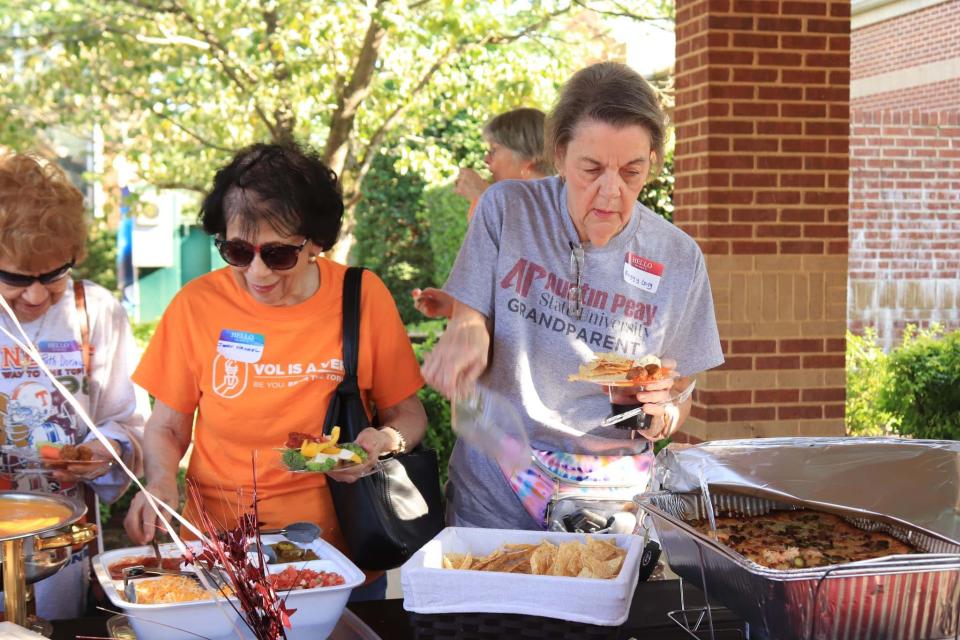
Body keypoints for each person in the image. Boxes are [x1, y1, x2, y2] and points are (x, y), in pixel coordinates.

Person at [422, 62, 724, 530]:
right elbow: (468, 316)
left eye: (631, 171)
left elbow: (680, 393)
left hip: (608, 499)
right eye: (592, 169)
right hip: (494, 486)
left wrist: (659, 416)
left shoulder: (679, 258)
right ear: (559, 155)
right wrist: (465, 334)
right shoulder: (507, 210)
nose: (611, 192)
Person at [123, 142, 428, 601]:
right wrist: (161, 481)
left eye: (279, 254)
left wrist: (385, 443)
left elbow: (409, 414)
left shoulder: (361, 296)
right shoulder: (197, 305)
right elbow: (167, 425)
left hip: (339, 556)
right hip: (222, 555)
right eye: (238, 251)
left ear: (316, 242)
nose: (257, 272)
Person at [0, 154, 145, 619]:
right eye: (16, 279)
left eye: (53, 274)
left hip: (61, 541)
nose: (38, 295)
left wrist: (107, 448)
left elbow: (129, 417)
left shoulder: (95, 311)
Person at [413, 107, 552, 319]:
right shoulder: (503, 205)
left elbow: (536, 274)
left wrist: (485, 197)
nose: (486, 160)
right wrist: (455, 305)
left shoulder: (561, 207)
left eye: (494, 150)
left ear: (529, 159)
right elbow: (508, 289)